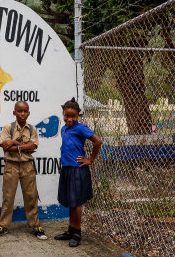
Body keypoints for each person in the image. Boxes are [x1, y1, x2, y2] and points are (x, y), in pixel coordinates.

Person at [0, 101, 47, 240]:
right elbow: (5, 146)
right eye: (19, 111)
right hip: (11, 165)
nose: (22, 113)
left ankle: (35, 226)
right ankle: (3, 226)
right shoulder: (9, 127)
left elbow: (33, 146)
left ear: (29, 113)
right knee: (8, 197)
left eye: (25, 111)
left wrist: (14, 143)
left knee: (31, 196)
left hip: (27, 165)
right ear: (14, 112)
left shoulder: (32, 129)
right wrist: (22, 145)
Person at [54, 97, 102, 247]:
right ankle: (70, 230)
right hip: (67, 168)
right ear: (63, 114)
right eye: (67, 115)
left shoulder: (80, 128)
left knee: (76, 204)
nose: (69, 119)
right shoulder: (63, 129)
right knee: (70, 201)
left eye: (73, 116)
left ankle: (77, 233)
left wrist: (90, 159)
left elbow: (98, 141)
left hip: (77, 170)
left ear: (78, 116)